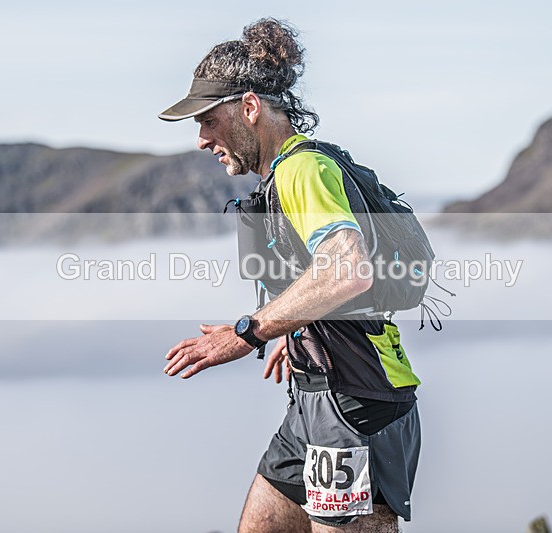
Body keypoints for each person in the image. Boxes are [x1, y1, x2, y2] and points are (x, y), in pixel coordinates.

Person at [159, 18, 421, 533]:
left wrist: (247, 333)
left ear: (249, 107)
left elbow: (347, 270)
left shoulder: (303, 170)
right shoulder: (284, 175)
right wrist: (294, 328)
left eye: (208, 120)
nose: (201, 140)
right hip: (313, 402)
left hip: (356, 405)